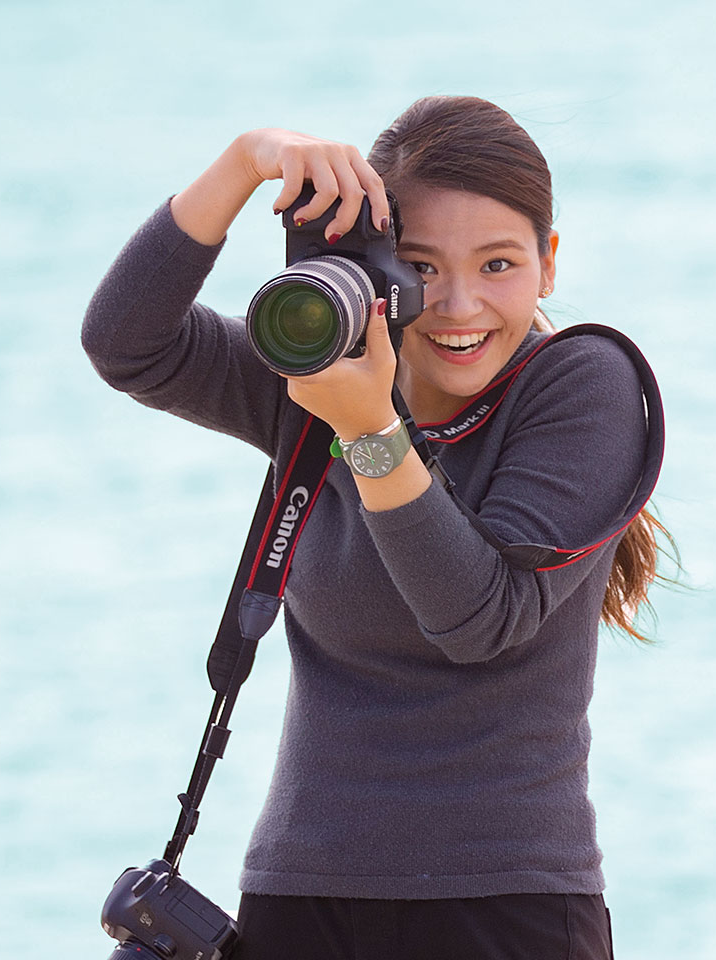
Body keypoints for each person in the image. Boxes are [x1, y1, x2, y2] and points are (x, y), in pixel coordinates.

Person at [83, 95, 669, 960]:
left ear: (548, 262)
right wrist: (247, 160)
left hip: (504, 904)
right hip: (300, 896)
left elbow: (481, 618)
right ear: (377, 269)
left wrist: (370, 434)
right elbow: (126, 342)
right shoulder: (323, 376)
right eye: (423, 267)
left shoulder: (584, 383)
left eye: (499, 264)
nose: (461, 306)